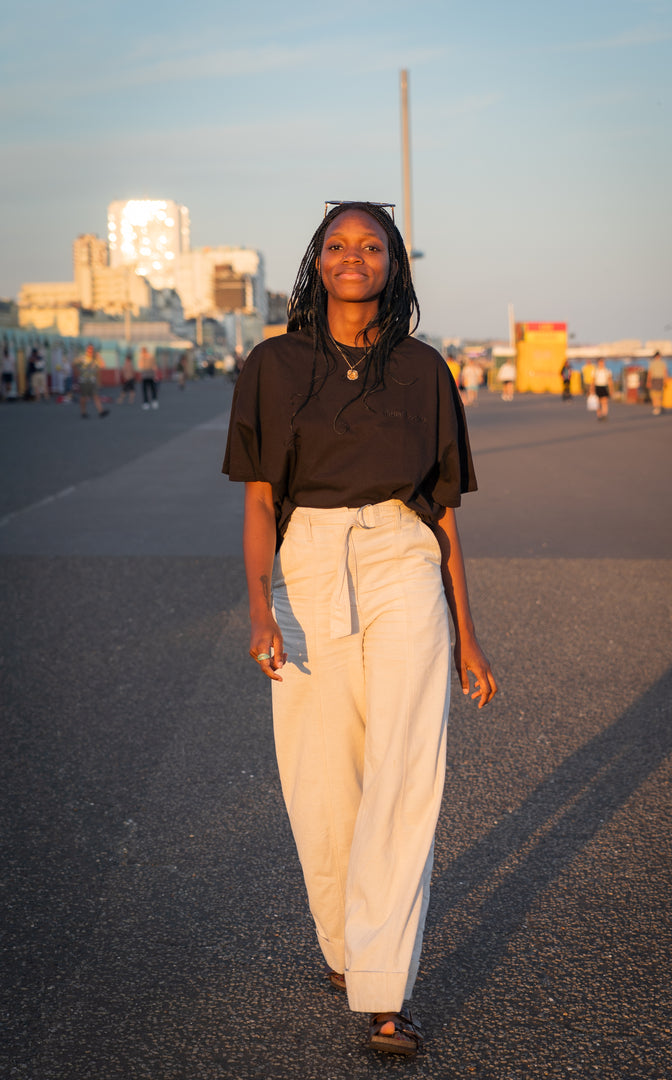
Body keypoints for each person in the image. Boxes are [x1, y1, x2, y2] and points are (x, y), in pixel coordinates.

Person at [223, 201, 497, 1059]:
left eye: (371, 245)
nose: (354, 257)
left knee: (406, 766)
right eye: (338, 245)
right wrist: (261, 602)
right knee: (319, 774)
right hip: (306, 561)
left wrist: (468, 632)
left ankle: (385, 989)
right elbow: (261, 496)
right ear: (318, 261)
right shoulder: (273, 364)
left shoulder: (424, 370)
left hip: (401, 558)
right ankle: (348, 948)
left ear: (394, 263)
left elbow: (443, 515)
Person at [76, 345, 109, 419]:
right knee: (84, 397)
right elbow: (74, 364)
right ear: (86, 351)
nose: (90, 352)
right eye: (89, 350)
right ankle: (83, 412)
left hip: (92, 380)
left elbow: (103, 366)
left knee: (96, 396)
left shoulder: (95, 359)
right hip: (84, 381)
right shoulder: (82, 358)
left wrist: (99, 356)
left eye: (92, 350)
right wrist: (78, 373)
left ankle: (101, 411)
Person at [647, 351, 668, 415]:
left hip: (655, 379)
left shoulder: (652, 363)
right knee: (659, 394)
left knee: (654, 394)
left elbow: (650, 372)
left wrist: (648, 381)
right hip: (660, 379)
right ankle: (658, 407)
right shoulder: (663, 363)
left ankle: (656, 407)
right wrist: (665, 380)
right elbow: (665, 372)